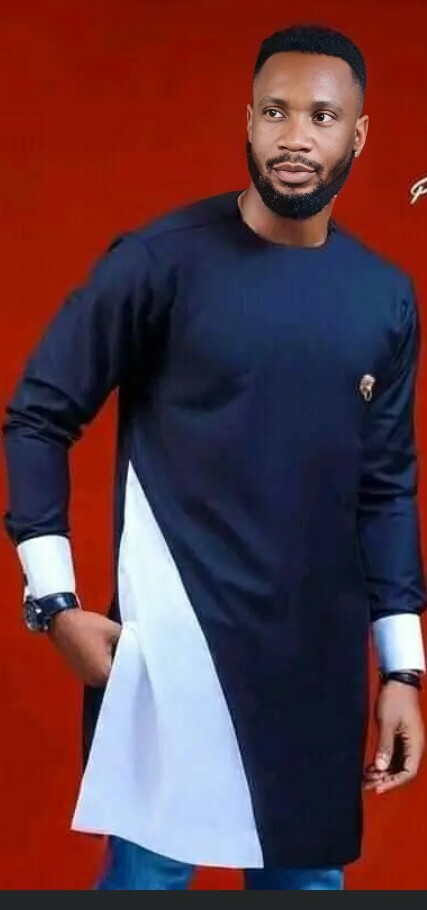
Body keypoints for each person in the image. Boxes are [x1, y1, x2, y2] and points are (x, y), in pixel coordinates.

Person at [2, 22, 426, 891]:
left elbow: (385, 487)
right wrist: (54, 603)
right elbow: (38, 415)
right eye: (274, 111)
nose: (294, 136)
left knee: (304, 885)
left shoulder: (384, 298)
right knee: (146, 879)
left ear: (358, 134)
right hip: (172, 659)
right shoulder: (159, 264)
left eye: (320, 116)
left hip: (313, 676)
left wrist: (402, 667)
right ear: (247, 120)